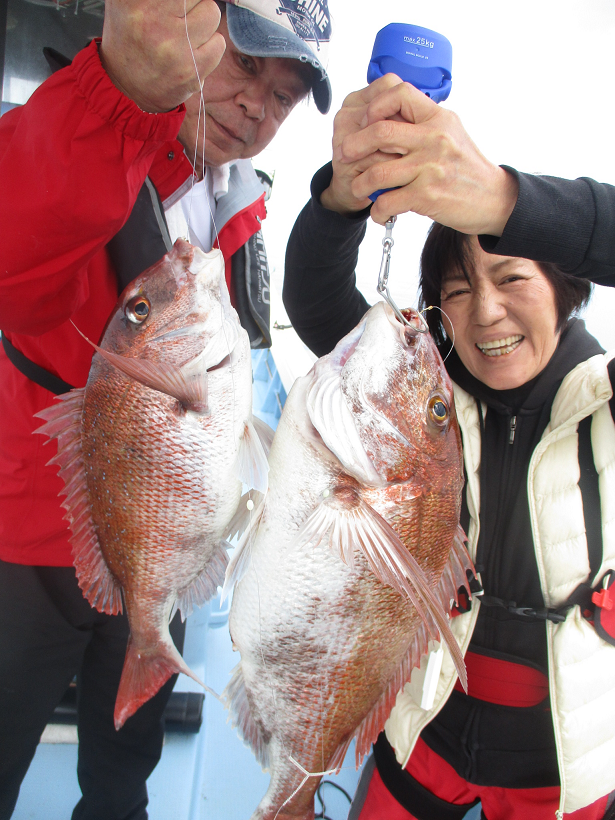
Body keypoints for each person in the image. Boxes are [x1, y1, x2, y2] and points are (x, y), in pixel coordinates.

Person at [0, 0, 331, 817]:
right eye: (246, 64)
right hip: (28, 537)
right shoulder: (82, 139)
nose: (259, 104)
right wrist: (115, 94)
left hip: (166, 536)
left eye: (285, 95)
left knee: (125, 773)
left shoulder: (238, 204)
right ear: (189, 34)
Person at [283, 74, 615, 819]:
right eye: (457, 290)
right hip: (422, 733)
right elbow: (312, 299)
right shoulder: (415, 395)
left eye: (511, 276)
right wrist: (342, 197)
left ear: (571, 291)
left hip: (568, 774)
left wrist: (504, 202)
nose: (486, 310)